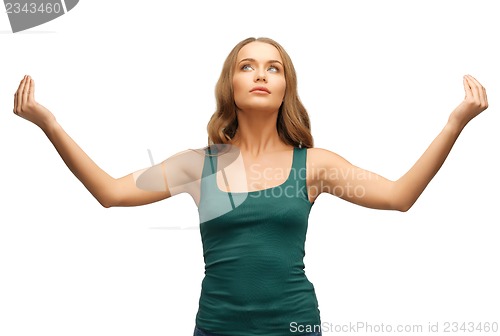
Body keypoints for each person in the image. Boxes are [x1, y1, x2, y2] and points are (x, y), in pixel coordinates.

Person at [12, 37, 488, 336]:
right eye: (247, 65)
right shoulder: (197, 166)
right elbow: (111, 193)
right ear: (231, 85)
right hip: (217, 327)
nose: (260, 73)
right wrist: (48, 124)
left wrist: (454, 123)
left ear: (286, 88)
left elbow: (399, 196)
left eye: (273, 67)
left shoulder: (315, 165)